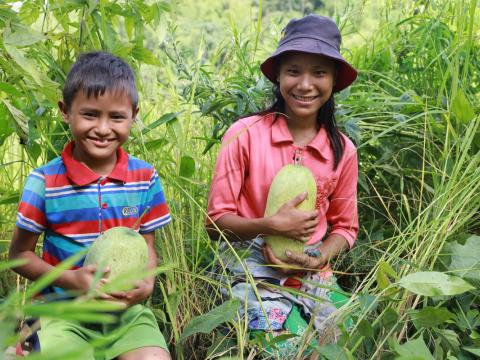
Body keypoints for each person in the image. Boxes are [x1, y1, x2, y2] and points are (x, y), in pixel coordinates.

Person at [206, 15, 358, 358]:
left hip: (312, 266)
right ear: (278, 76)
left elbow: (346, 228)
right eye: (293, 71)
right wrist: (269, 226)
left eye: (319, 72)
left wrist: (315, 259)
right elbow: (215, 223)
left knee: (349, 340)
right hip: (249, 265)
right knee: (289, 349)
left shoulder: (343, 150)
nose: (305, 84)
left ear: (334, 79)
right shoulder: (244, 134)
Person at [9, 51, 171, 360]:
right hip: (61, 312)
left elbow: (147, 245)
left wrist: (147, 282)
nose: (103, 128)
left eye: (117, 117)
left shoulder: (145, 178)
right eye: (90, 114)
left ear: (134, 115)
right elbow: (19, 256)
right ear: (65, 111)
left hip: (125, 315)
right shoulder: (43, 183)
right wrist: (73, 279)